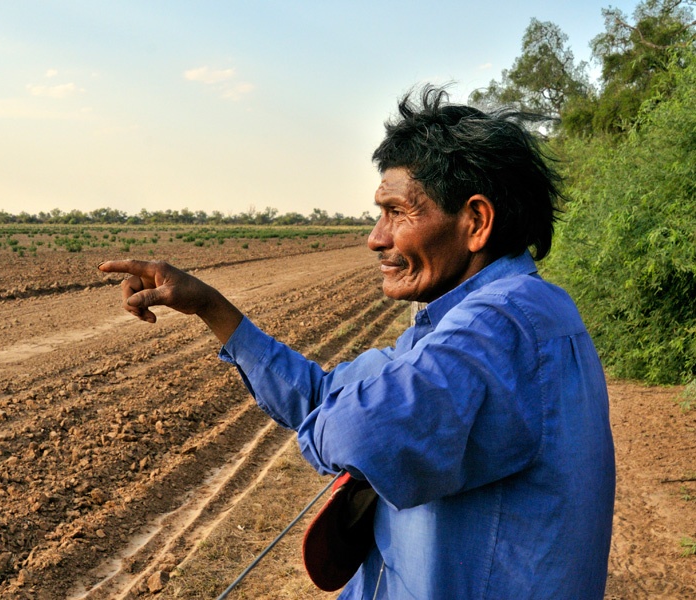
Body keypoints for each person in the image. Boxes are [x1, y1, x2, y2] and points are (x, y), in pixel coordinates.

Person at [99, 86, 615, 599]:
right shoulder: (487, 319)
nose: (376, 237)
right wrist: (211, 306)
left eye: (397, 212)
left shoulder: (501, 324)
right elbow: (324, 394)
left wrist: (335, 424)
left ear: (475, 222)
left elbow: (360, 431)